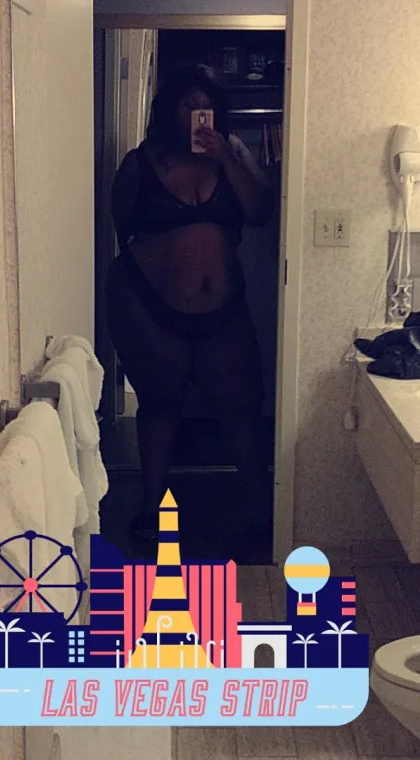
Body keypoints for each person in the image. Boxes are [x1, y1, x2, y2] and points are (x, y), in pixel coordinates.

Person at [106, 63, 276, 542]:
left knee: (241, 406)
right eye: (189, 106)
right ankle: (151, 510)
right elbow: (122, 227)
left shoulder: (233, 154)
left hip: (224, 313)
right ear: (169, 111)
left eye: (207, 106)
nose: (199, 114)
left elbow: (261, 212)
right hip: (150, 312)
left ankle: (263, 513)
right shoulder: (140, 162)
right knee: (160, 406)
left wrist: (226, 159)